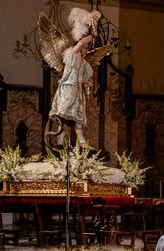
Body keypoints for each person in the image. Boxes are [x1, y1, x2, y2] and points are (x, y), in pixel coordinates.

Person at [48, 8, 101, 147]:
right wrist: (93, 34)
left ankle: (82, 141)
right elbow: (80, 44)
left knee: (77, 117)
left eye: (87, 47)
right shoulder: (72, 53)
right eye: (86, 46)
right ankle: (60, 140)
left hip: (77, 90)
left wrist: (87, 84)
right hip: (68, 88)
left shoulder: (83, 62)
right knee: (65, 115)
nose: (87, 49)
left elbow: (84, 79)